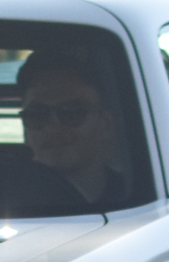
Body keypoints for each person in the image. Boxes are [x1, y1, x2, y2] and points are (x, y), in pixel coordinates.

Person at [15, 50, 131, 210]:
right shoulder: (2, 199)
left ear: (106, 125)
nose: (52, 127)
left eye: (72, 113)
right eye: (36, 115)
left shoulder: (135, 198)